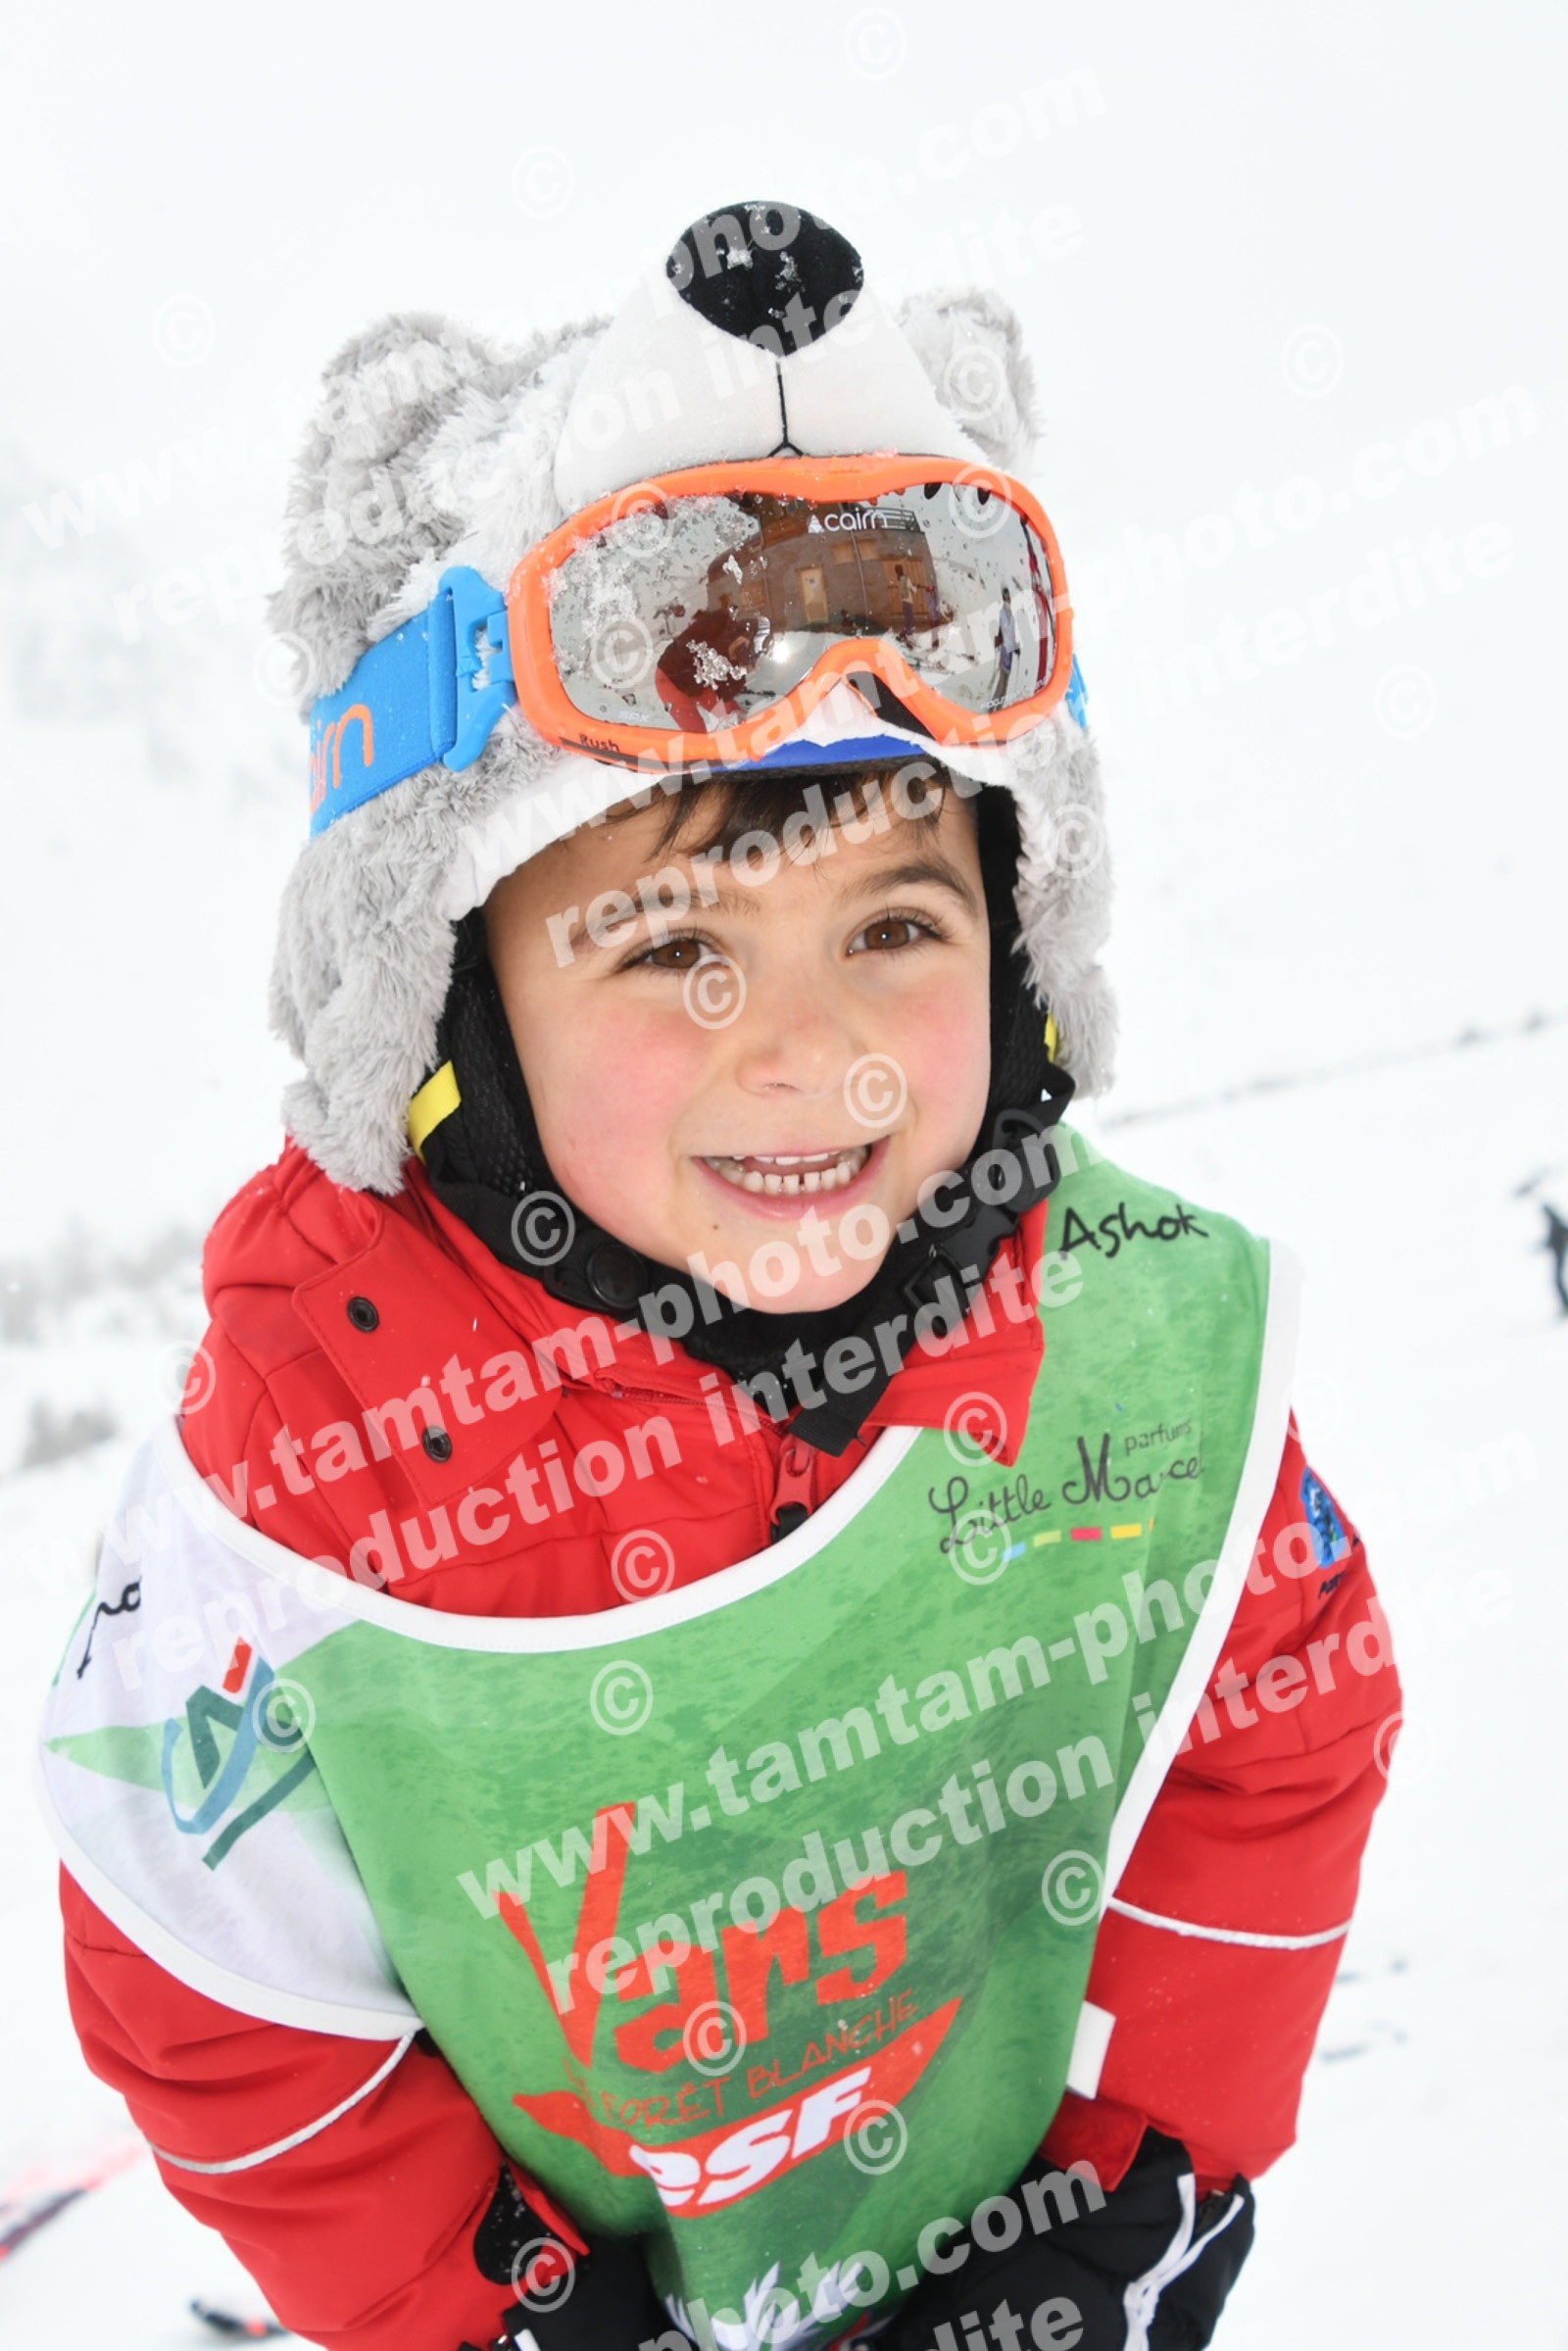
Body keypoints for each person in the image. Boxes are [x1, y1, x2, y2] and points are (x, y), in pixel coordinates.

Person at [43, 204, 1398, 2351]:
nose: (813, 1051)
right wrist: (506, 2311)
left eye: (896, 927)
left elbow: (1275, 1737)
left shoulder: (1130, 1340)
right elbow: (209, 1991)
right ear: (450, 1016)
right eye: (675, 946)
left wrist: (1140, 2176)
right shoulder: (320, 1457)